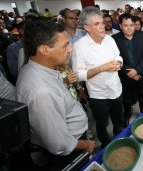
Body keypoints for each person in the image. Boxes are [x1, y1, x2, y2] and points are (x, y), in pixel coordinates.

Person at [16, 19, 95, 169]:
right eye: (65, 45)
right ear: (45, 49)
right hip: (72, 150)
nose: (71, 49)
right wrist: (86, 144)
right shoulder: (41, 94)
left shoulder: (41, 69)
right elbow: (58, 144)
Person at [72, 6, 123, 148]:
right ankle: (106, 144)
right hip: (98, 95)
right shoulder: (79, 47)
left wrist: (118, 63)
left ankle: (119, 137)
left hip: (116, 88)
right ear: (87, 27)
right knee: (102, 123)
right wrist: (102, 68)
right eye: (97, 24)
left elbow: (118, 56)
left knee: (118, 118)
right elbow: (78, 74)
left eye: (102, 23)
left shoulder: (110, 40)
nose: (102, 26)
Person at [112, 13, 143, 127]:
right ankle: (127, 114)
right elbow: (115, 59)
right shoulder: (114, 39)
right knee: (127, 98)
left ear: (134, 25)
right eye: (126, 25)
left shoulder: (142, 36)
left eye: (131, 25)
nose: (129, 28)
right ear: (121, 26)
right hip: (125, 75)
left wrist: (136, 71)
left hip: (141, 73)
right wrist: (129, 72)